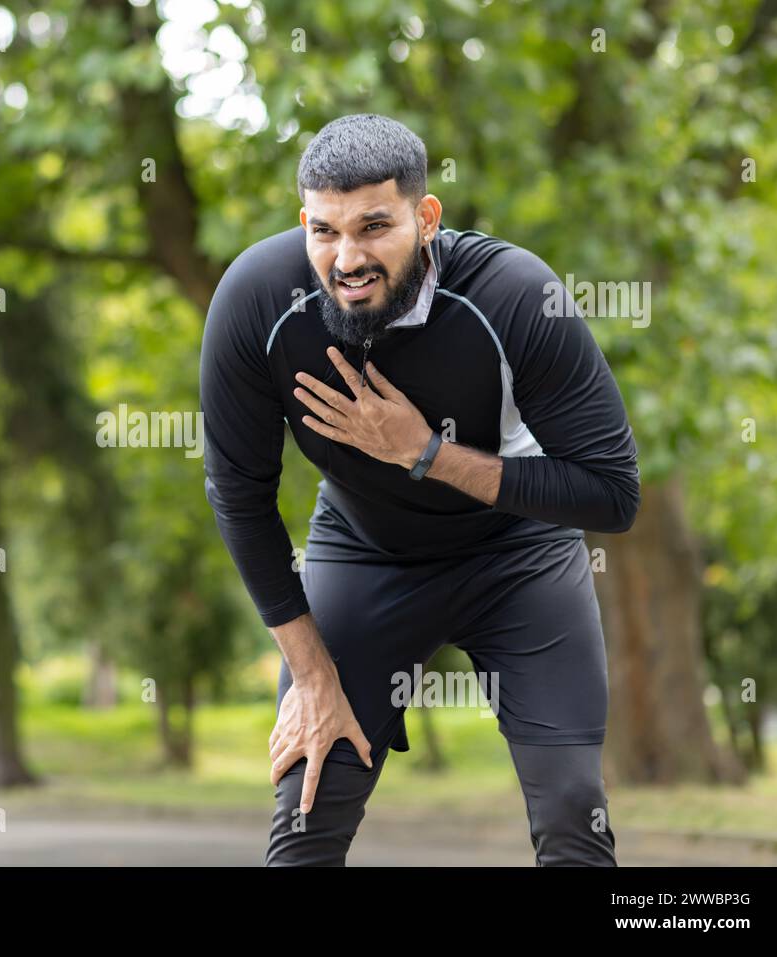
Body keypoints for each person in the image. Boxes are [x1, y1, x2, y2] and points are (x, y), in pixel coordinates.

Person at [198, 113, 640, 866]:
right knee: (304, 812)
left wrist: (427, 454)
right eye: (325, 231)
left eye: (375, 226)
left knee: (573, 813)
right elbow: (239, 493)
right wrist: (312, 675)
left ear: (425, 216)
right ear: (302, 221)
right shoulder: (256, 303)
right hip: (364, 552)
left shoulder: (516, 296)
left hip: (518, 553)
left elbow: (612, 492)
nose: (348, 258)